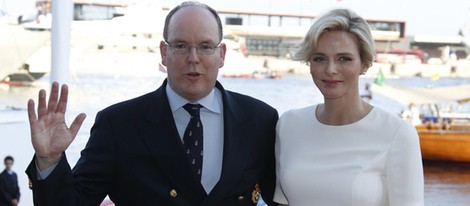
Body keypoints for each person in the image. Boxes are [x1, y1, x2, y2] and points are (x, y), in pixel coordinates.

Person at [25, 1, 278, 205]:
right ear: (163, 53)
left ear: (221, 55)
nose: (193, 58)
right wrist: (50, 162)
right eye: (180, 46)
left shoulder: (260, 120)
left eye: (205, 47)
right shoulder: (118, 125)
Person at [274, 8, 424, 205]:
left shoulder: (397, 134)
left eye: (344, 58)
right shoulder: (288, 124)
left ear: (364, 63)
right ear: (309, 62)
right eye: (320, 58)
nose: (331, 70)